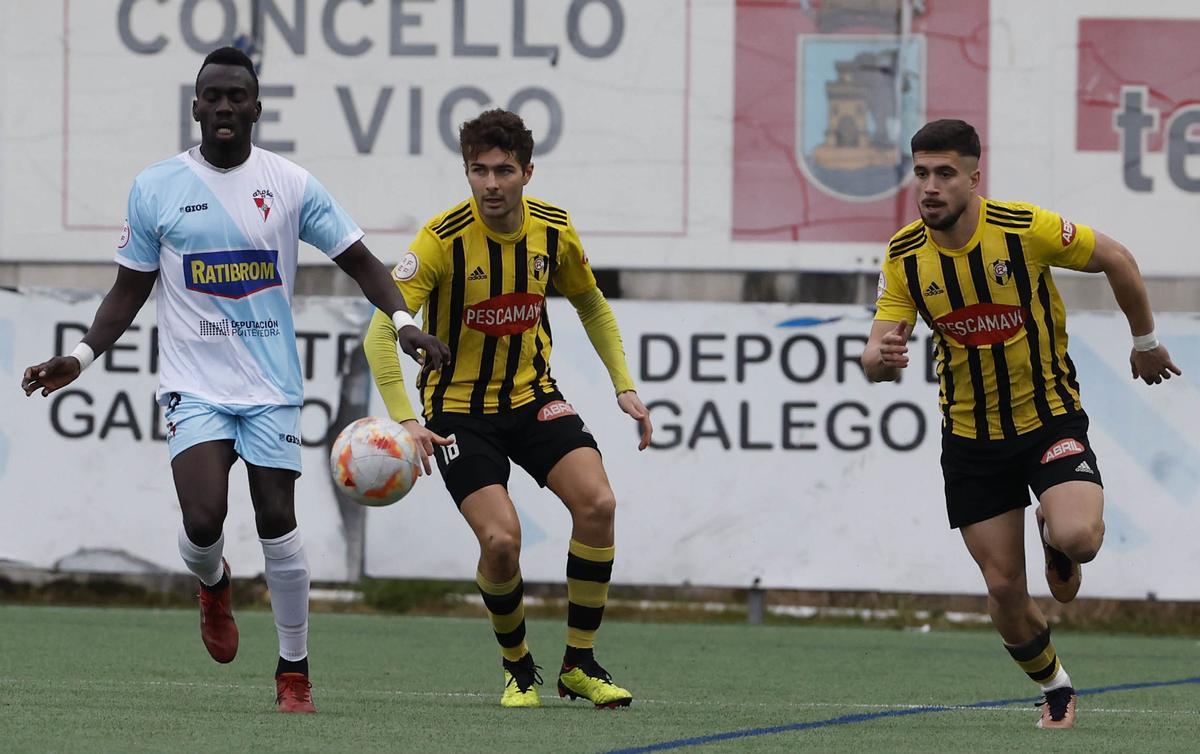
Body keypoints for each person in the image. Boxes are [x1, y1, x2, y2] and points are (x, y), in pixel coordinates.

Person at [19, 47, 448, 714]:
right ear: (195, 107)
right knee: (203, 517)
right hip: (196, 385)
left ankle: (294, 673)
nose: (224, 107)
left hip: (272, 386)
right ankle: (213, 583)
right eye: (212, 96)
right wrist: (79, 356)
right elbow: (127, 292)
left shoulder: (290, 184)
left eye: (236, 97)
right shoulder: (158, 186)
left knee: (278, 519)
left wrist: (401, 320)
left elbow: (361, 260)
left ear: (256, 106)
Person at [862, 119, 1180, 729]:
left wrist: (1144, 341)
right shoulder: (905, 254)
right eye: (922, 173)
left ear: (974, 178)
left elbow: (1117, 257)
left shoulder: (1023, 229)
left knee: (1081, 538)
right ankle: (1056, 686)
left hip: (1047, 418)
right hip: (971, 440)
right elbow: (876, 355)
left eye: (945, 174)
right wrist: (881, 359)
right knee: (1006, 592)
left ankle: (1055, 531)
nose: (930, 187)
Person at [363, 109, 652, 709]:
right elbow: (379, 334)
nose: (491, 184)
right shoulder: (440, 241)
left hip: (532, 397)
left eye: (503, 171)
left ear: (526, 172)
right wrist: (408, 420)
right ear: (466, 172)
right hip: (458, 412)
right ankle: (518, 667)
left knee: (598, 504)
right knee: (501, 541)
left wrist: (622, 384)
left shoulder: (553, 230)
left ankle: (580, 662)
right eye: (479, 171)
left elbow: (592, 305)